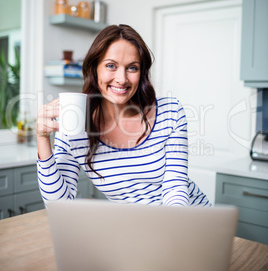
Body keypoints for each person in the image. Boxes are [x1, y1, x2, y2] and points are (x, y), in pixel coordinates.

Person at [36, 24, 211, 207]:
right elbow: (58, 204)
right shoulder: (74, 124)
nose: (122, 79)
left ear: (141, 72)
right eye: (111, 66)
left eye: (132, 68)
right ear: (95, 68)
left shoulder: (171, 111)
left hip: (189, 218)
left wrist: (164, 231)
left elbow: (175, 188)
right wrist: (42, 138)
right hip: (138, 228)